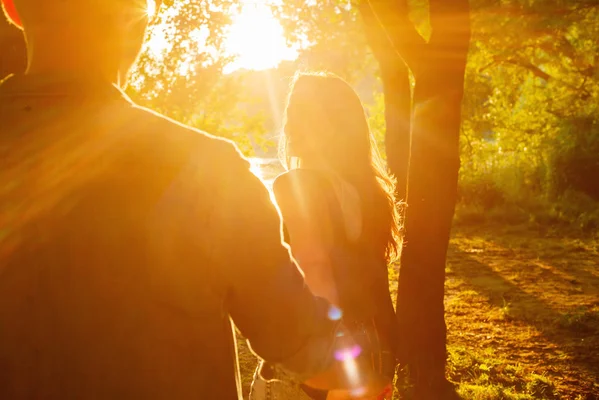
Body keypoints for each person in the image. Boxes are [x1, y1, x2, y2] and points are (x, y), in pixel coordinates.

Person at [0, 1, 354, 398]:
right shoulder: (207, 172)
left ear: (13, 9)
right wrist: (369, 369)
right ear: (137, 14)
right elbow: (308, 351)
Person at [249, 72, 401, 400]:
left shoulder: (296, 184)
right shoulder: (371, 192)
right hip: (378, 343)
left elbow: (314, 265)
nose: (290, 126)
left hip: (328, 352)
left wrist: (328, 354)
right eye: (292, 114)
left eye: (300, 115)